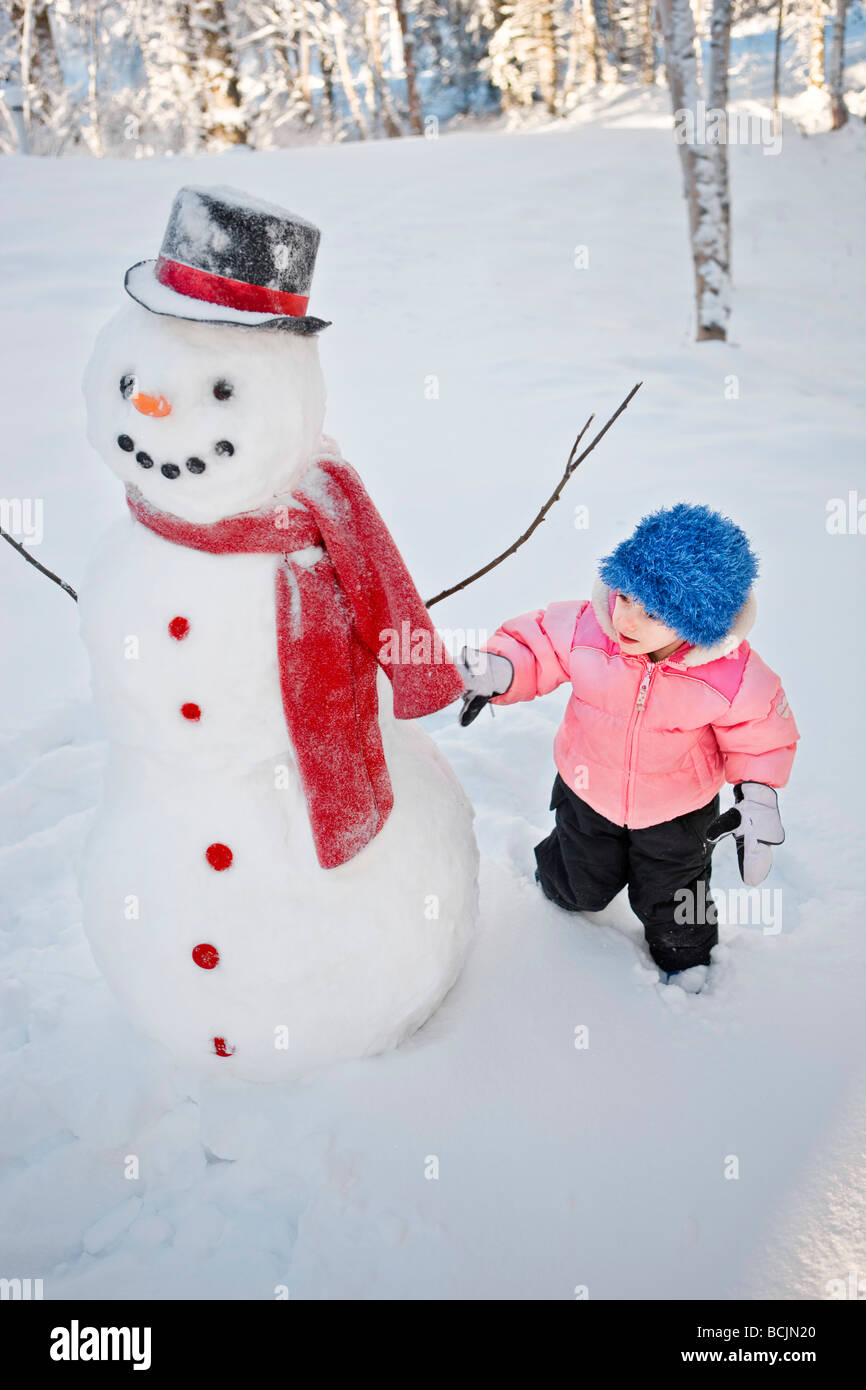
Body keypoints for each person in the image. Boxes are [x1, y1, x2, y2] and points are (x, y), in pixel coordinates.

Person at [456, 504, 799, 977]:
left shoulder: (732, 676)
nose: (627, 620)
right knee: (578, 882)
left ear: (698, 620)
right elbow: (537, 645)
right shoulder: (586, 630)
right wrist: (504, 667)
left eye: (652, 611)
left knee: (676, 896)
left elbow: (761, 735)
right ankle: (559, 883)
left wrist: (758, 795)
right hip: (587, 792)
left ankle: (687, 956)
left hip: (678, 813)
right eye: (625, 597)